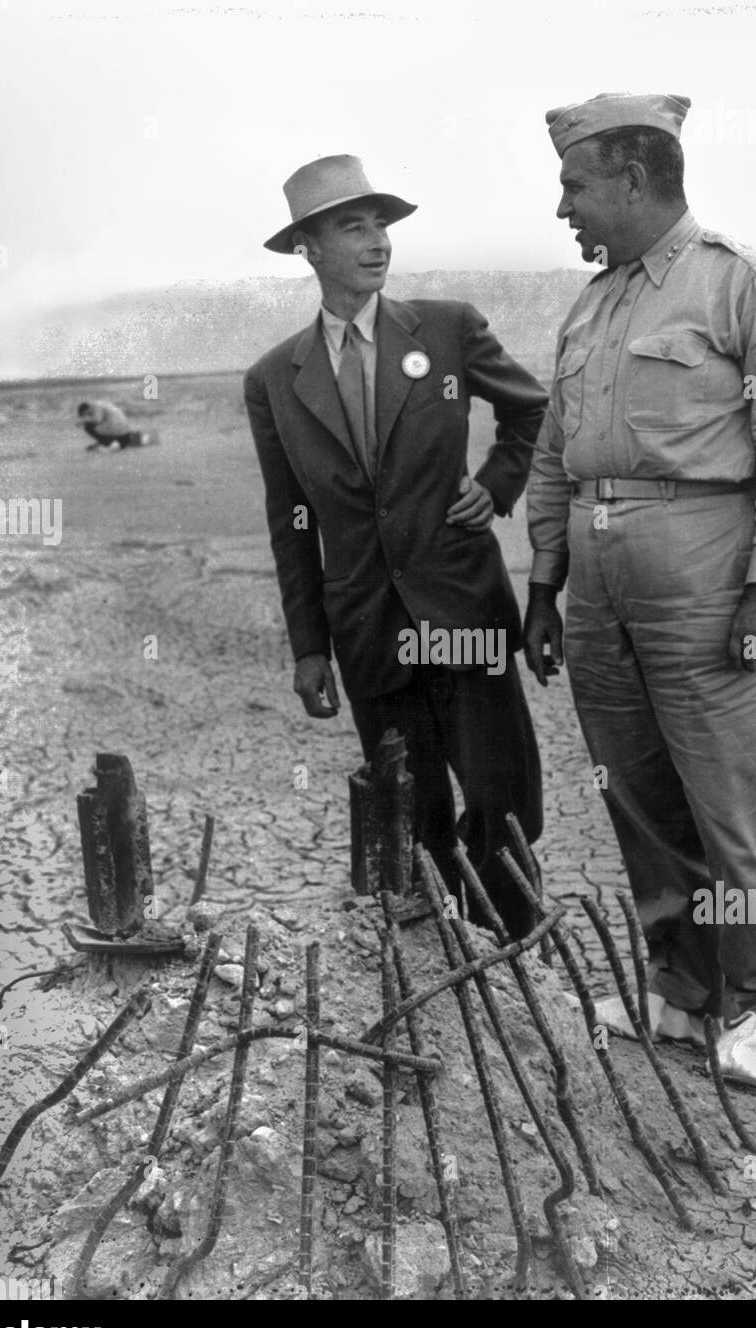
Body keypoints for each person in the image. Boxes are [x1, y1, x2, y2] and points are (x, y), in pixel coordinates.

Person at [523, 94, 756, 1085]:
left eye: (574, 186)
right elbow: (553, 452)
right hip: (599, 592)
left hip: (706, 579)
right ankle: (688, 994)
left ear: (633, 179)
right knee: (639, 798)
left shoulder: (740, 283)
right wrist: (543, 579)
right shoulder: (592, 304)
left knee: (730, 803)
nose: (563, 206)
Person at [244, 155, 548, 937]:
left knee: (501, 807)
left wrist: (497, 482)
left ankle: (515, 969)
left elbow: (532, 414)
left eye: (380, 223)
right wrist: (309, 645)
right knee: (409, 820)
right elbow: (291, 519)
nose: (377, 239)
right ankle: (436, 979)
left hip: (463, 608)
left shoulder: (446, 328)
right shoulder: (275, 377)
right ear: (307, 248)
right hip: (368, 633)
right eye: (352, 226)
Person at [77, 401, 156, 450]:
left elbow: (98, 420)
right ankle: (147, 438)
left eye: (85, 415)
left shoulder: (95, 408)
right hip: (123, 429)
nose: (87, 416)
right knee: (124, 439)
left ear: (86, 410)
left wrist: (84, 421)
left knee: (88, 427)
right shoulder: (100, 404)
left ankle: (108, 443)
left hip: (116, 429)